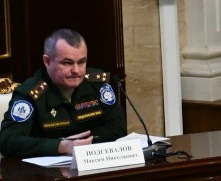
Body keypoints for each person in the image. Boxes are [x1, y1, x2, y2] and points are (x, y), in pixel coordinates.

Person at [0, 29, 127, 158]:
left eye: (81, 62)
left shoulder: (97, 84)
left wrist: (81, 144)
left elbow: (118, 127)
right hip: (45, 168)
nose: (76, 70)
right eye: (67, 63)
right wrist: (60, 146)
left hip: (92, 161)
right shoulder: (30, 94)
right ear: (47, 61)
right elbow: (8, 141)